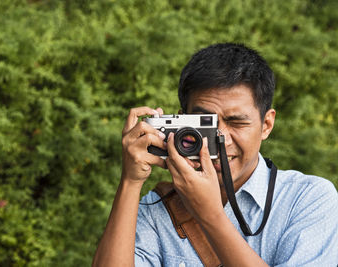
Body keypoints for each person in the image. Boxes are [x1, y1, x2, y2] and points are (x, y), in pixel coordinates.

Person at [92, 43, 338, 266]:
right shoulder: (158, 209)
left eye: (237, 123)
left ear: (266, 125)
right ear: (181, 121)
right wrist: (130, 182)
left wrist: (209, 215)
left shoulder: (308, 200)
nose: (220, 140)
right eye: (205, 125)